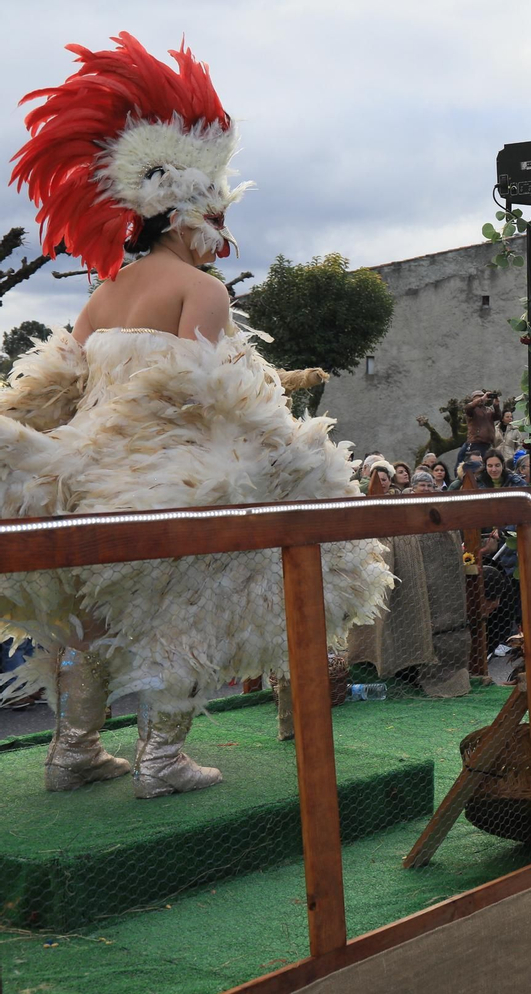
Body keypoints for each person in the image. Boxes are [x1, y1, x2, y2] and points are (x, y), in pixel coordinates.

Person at [0, 34, 390, 797]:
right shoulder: (202, 292)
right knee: (192, 611)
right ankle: (161, 759)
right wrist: (295, 453)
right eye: (214, 205)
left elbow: (62, 389)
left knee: (89, 621)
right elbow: (210, 393)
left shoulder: (103, 294)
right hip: (167, 482)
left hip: (79, 485)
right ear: (184, 212)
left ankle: (73, 752)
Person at [462, 390, 503, 462]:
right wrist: (482, 399)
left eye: (483, 396)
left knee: (485, 464)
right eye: (479, 397)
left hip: (488, 443)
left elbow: (498, 416)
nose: (482, 398)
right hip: (476, 443)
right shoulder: (472, 409)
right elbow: (468, 408)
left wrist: (496, 405)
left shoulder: (488, 409)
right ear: (473, 399)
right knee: (477, 465)